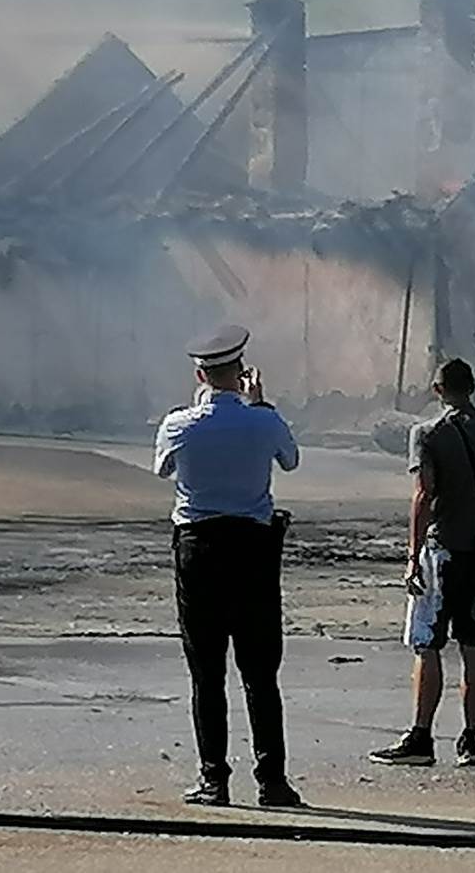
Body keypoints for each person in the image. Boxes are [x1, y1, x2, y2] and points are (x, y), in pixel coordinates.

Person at [155, 323, 303, 809]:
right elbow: (291, 460)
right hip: (254, 549)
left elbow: (164, 469)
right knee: (261, 673)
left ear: (200, 373)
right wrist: (259, 406)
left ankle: (214, 779)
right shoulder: (264, 420)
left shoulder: (179, 424)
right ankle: (273, 781)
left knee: (206, 673)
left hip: (199, 547)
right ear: (241, 373)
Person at [370, 358, 475, 769]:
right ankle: (470, 741)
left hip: (442, 551)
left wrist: (411, 558)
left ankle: (421, 737)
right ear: (473, 386)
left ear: (437, 390)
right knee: (474, 646)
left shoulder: (427, 434)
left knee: (427, 645)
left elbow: (424, 496)